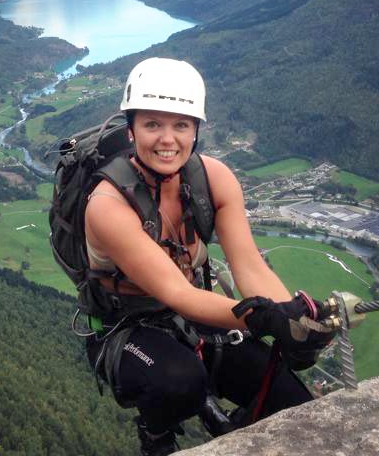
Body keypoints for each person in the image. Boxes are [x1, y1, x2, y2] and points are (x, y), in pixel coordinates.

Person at [83, 57, 334, 455]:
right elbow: (175, 293)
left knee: (291, 400)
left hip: (199, 317)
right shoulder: (108, 204)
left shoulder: (213, 179)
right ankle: (157, 435)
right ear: (131, 131)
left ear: (196, 130)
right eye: (153, 124)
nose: (168, 139)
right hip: (128, 329)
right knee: (180, 382)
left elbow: (247, 263)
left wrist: (289, 315)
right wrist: (261, 316)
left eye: (181, 125)